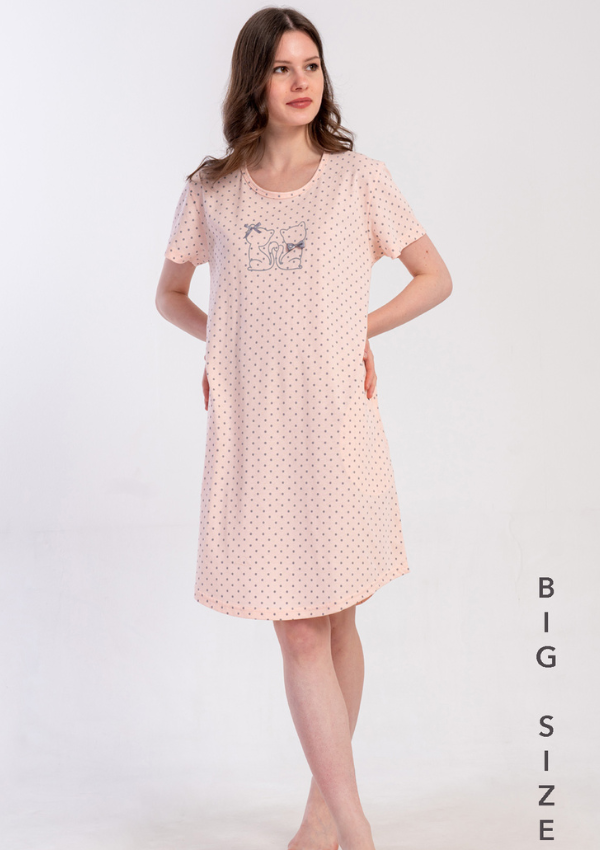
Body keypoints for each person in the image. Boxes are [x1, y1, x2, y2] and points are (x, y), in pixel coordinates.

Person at [155, 7, 452, 850]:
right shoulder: (211, 190)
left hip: (336, 424)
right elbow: (169, 295)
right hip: (256, 432)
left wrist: (360, 331)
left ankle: (322, 815)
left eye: (311, 65)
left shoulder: (360, 180)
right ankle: (356, 828)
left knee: (338, 616)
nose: (300, 82)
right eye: (283, 67)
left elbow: (433, 276)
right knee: (299, 627)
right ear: (254, 79)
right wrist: (225, 344)